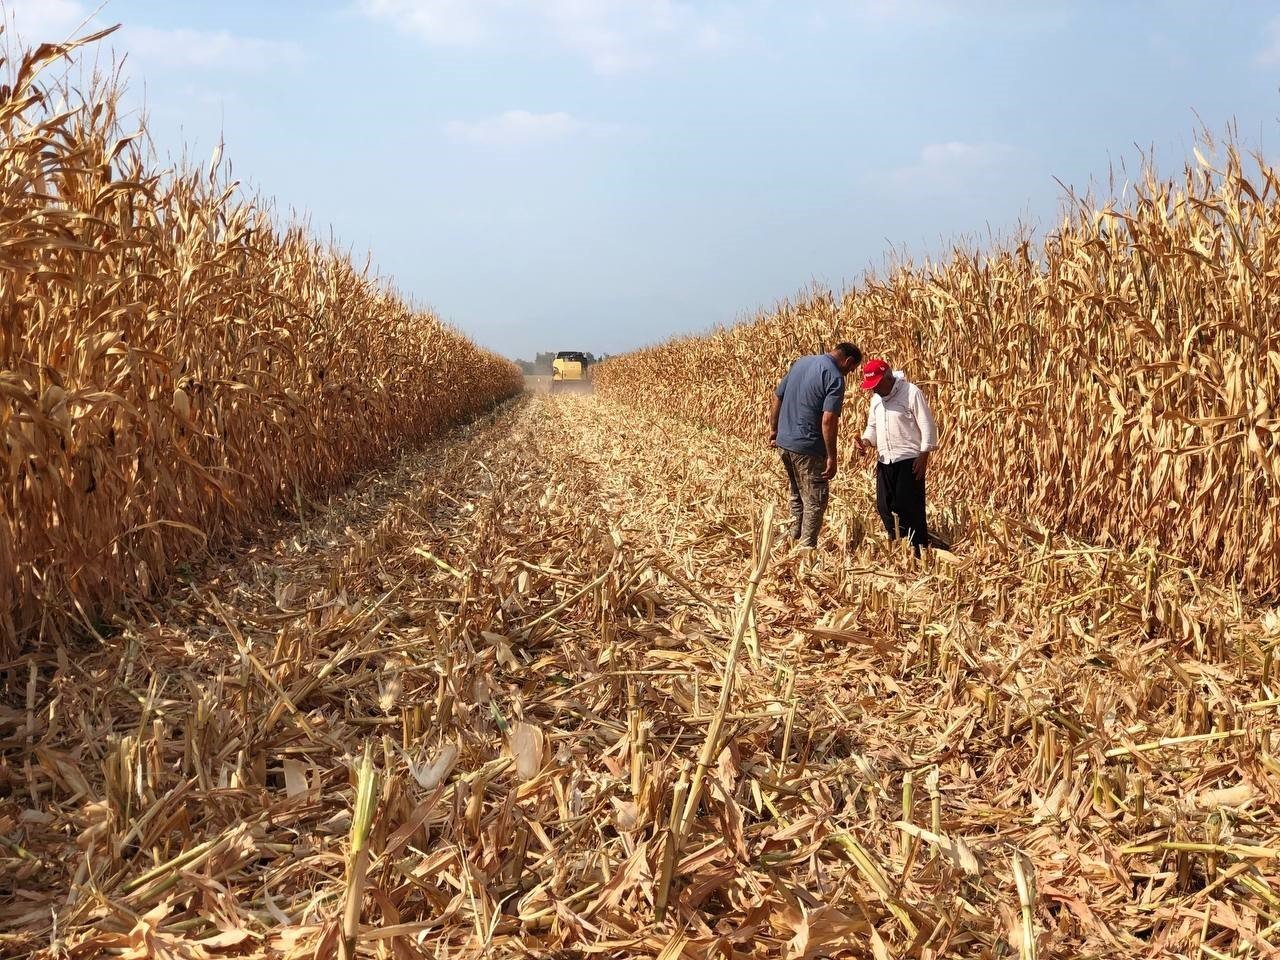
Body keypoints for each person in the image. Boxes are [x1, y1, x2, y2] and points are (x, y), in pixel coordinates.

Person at [768, 342, 863, 548]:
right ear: (848, 361)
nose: (849, 373)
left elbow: (777, 396)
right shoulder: (834, 377)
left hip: (785, 443)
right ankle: (806, 550)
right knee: (815, 500)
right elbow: (828, 420)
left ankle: (792, 538)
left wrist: (774, 430)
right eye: (851, 369)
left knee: (797, 493)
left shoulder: (802, 362)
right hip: (808, 446)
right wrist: (831, 456)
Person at [856, 358, 938, 553]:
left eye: (876, 384)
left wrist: (924, 455)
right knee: (885, 506)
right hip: (885, 460)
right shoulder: (876, 400)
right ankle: (898, 544)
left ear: (887, 376)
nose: (873, 390)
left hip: (909, 459)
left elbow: (927, 425)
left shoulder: (911, 393)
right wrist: (866, 442)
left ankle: (918, 550)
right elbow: (872, 427)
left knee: (909, 506)